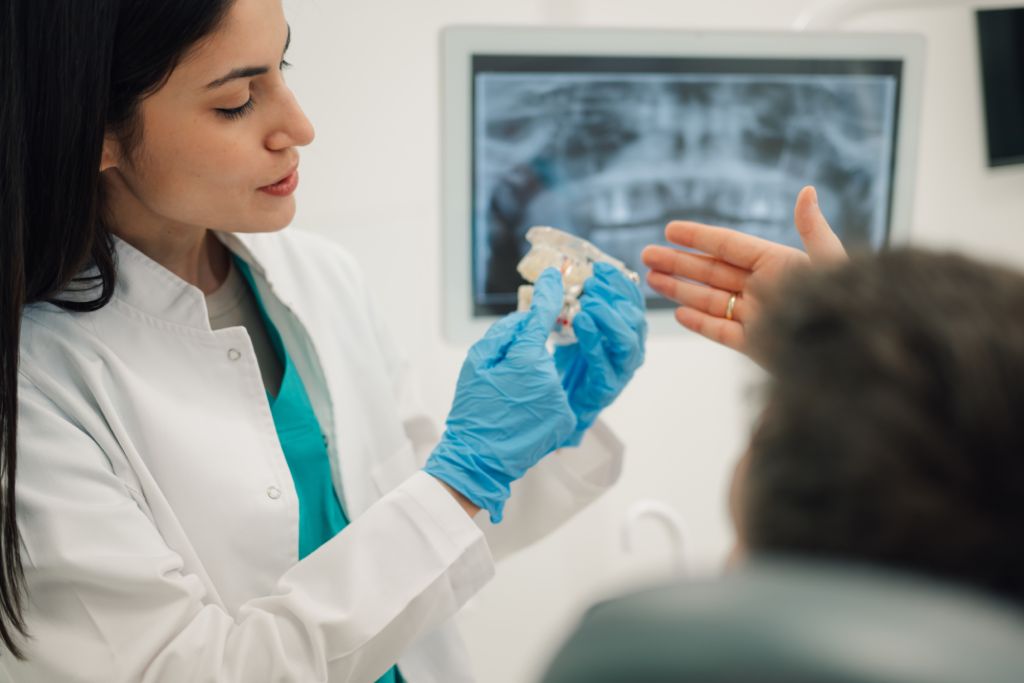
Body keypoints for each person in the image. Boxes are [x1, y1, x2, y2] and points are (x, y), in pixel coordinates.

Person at [0, 1, 646, 681]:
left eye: (283, 66)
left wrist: (538, 438)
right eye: (238, 101)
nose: (300, 127)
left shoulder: (317, 275)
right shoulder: (36, 384)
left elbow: (415, 532)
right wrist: (463, 477)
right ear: (94, 128)